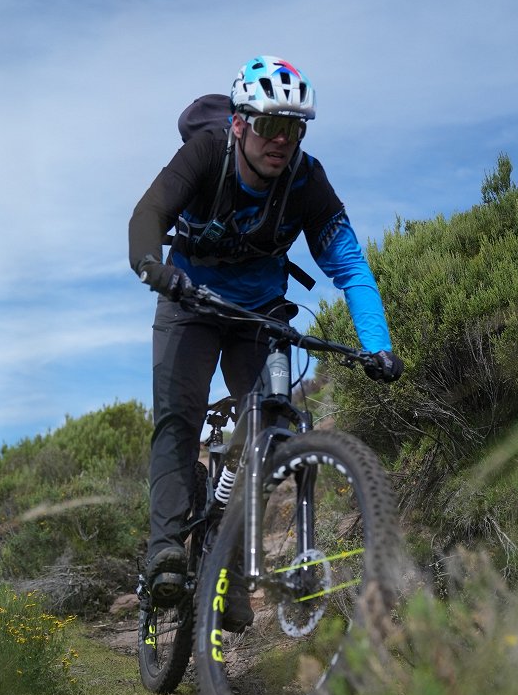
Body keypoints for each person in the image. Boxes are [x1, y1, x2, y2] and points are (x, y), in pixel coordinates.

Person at [129, 55, 403, 630]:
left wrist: (377, 344)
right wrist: (155, 266)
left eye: (294, 128)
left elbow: (349, 265)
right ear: (240, 124)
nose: (283, 141)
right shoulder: (205, 155)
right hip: (190, 303)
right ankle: (165, 552)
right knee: (179, 415)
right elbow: (149, 213)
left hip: (259, 314)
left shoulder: (307, 179)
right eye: (271, 126)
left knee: (268, 433)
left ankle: (225, 566)